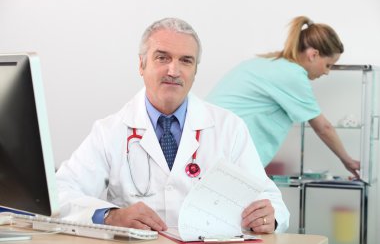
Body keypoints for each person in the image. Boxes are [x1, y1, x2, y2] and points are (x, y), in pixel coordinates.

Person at [56, 18, 289, 234]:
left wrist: (270, 217)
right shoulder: (110, 131)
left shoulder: (229, 128)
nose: (174, 70)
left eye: (186, 61)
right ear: (141, 65)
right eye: (162, 57)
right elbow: (59, 192)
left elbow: (270, 199)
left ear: (195, 71)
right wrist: (110, 216)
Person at [207, 16, 360, 178]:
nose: (327, 72)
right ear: (313, 55)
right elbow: (323, 127)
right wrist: (348, 162)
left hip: (211, 145)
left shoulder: (269, 62)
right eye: (328, 65)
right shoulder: (292, 74)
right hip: (225, 154)